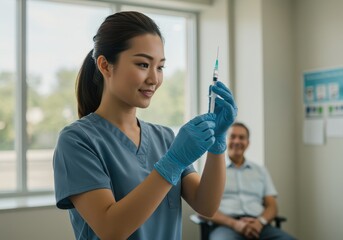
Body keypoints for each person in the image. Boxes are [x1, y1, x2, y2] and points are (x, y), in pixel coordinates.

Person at [53, 11, 237, 240]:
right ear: (105, 65)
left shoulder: (164, 137)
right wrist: (173, 163)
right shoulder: (77, 140)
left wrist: (218, 143)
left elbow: (206, 204)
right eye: (143, 64)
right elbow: (111, 229)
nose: (154, 79)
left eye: (160, 67)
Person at [206, 122, 296, 240]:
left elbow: (272, 206)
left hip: (260, 226)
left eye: (242, 138)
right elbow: (204, 210)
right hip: (226, 227)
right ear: (226, 140)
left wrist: (260, 222)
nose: (237, 141)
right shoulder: (213, 170)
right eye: (232, 137)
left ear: (248, 143)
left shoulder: (260, 171)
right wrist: (235, 224)